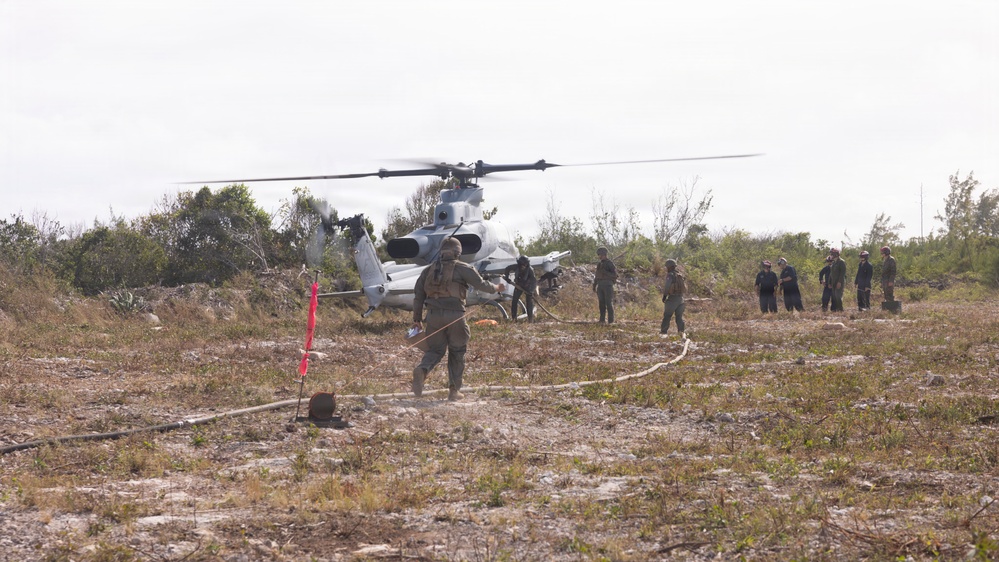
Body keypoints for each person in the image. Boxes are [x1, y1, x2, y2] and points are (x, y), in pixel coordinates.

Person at [411, 237, 506, 401]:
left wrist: (417, 319)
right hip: (455, 315)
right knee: (457, 351)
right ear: (458, 252)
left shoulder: (428, 270)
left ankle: (422, 369)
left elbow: (418, 295)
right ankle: (454, 391)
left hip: (433, 316)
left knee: (435, 350)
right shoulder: (463, 268)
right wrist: (496, 287)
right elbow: (481, 284)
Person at [660, 258, 686, 337]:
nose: (666, 268)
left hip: (672, 299)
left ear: (670, 267)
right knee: (679, 317)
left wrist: (664, 296)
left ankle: (663, 333)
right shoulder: (679, 275)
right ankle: (681, 332)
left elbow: (667, 287)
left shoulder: (670, 275)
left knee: (667, 316)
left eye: (667, 267)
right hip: (681, 299)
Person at [593, 247, 618, 323]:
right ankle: (602, 320)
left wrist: (605, 272)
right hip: (600, 285)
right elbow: (597, 275)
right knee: (601, 304)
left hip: (608, 286)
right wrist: (594, 285)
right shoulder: (599, 264)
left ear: (604, 254)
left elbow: (615, 275)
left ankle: (611, 321)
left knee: (608, 303)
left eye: (600, 255)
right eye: (599, 255)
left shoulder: (610, 263)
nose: (599, 256)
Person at [510, 255, 537, 322]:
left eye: (525, 264)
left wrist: (531, 291)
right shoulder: (516, 267)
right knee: (514, 300)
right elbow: (507, 269)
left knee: (529, 302)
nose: (523, 266)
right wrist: (507, 277)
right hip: (519, 285)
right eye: (522, 264)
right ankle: (514, 318)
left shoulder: (530, 270)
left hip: (528, 287)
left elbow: (534, 281)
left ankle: (530, 319)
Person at [828, 248, 847, 312]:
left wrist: (839, 282)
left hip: (839, 282)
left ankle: (840, 309)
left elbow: (842, 273)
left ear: (836, 254)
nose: (831, 255)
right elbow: (831, 273)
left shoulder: (841, 262)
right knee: (834, 296)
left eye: (832, 254)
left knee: (838, 296)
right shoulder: (833, 263)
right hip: (833, 282)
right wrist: (829, 282)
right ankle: (835, 310)